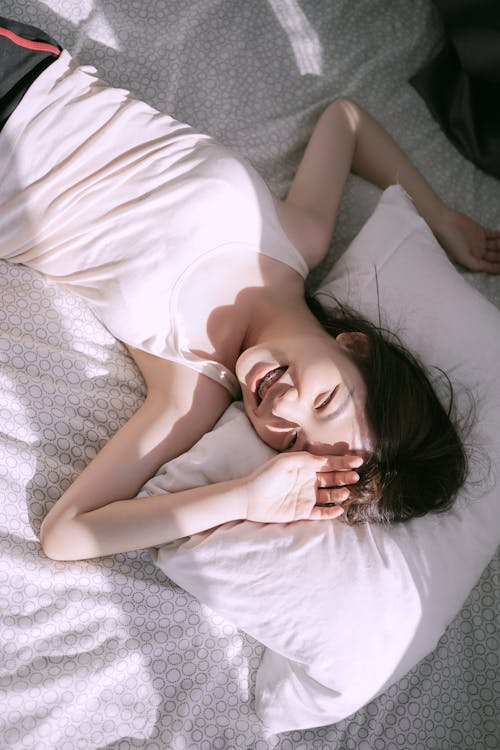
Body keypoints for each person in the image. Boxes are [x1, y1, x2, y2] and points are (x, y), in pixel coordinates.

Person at [1, 18, 499, 562]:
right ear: (354, 344)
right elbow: (348, 122)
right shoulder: (299, 238)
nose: (282, 407)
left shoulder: (191, 391)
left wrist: (245, 498)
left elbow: (67, 533)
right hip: (30, 79)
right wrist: (440, 219)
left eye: (288, 442)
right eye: (325, 400)